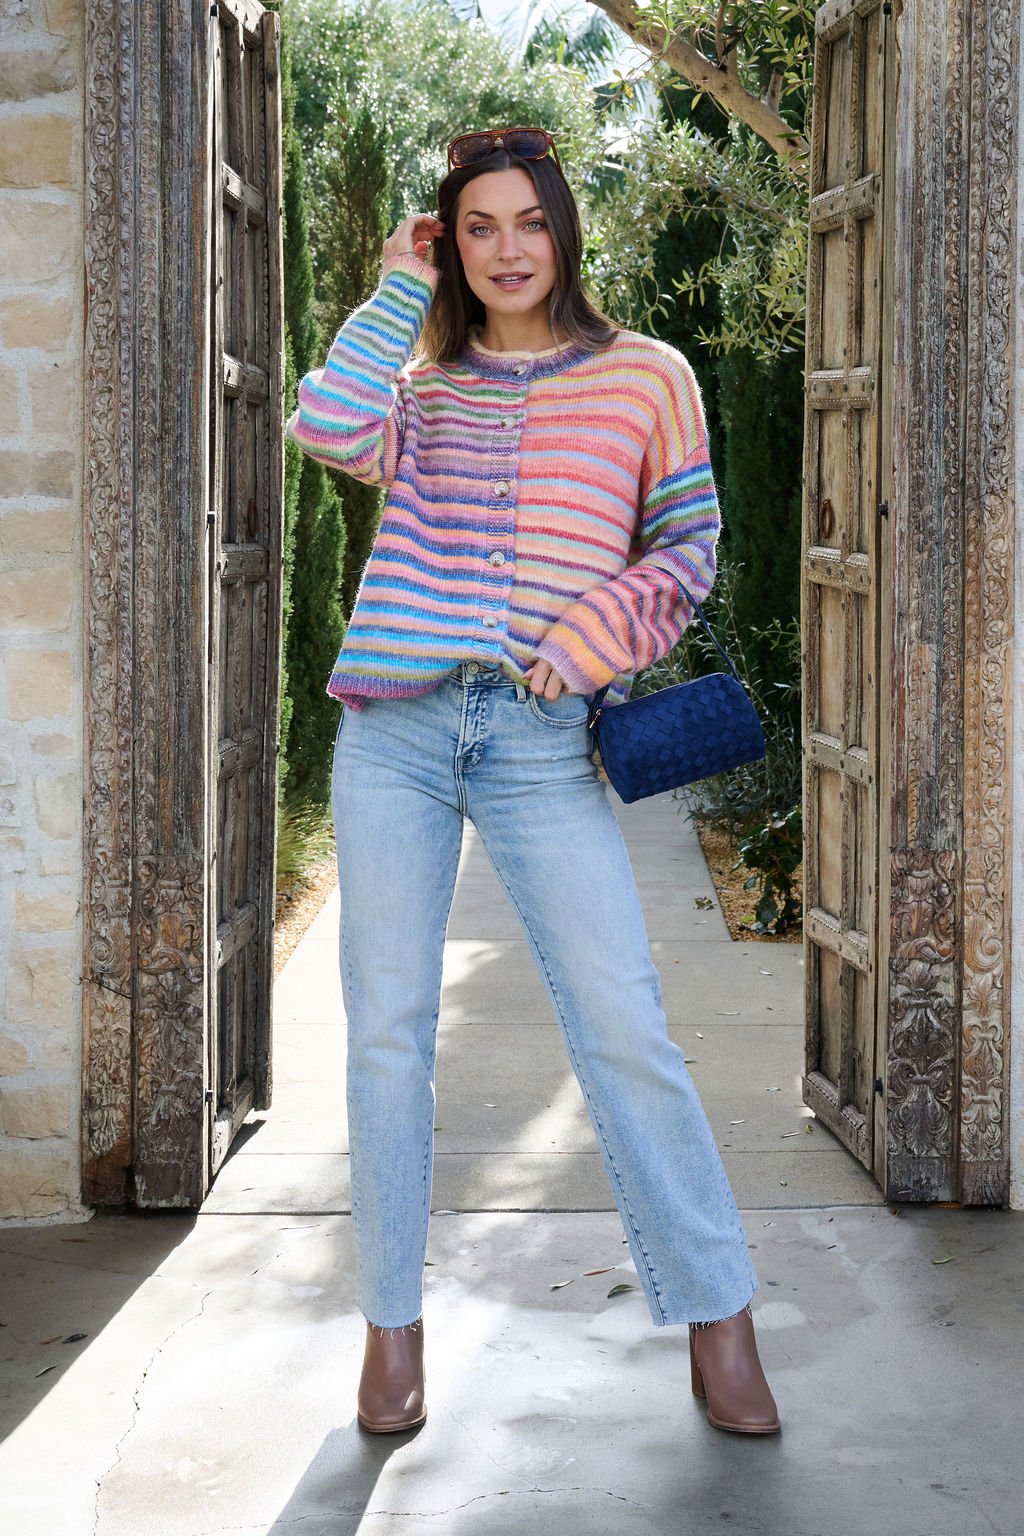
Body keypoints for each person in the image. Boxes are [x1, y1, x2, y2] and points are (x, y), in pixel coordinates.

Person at [287, 126, 780, 1438]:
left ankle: (719, 1312)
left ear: (564, 229)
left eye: (530, 221)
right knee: (387, 1039)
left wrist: (583, 643)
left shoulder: (644, 377)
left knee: (622, 1021)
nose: (509, 249)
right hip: (393, 728)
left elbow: (686, 548)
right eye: (479, 226)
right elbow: (323, 426)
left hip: (542, 733)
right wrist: (399, 286)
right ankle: (392, 1334)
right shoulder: (422, 378)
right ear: (454, 240)